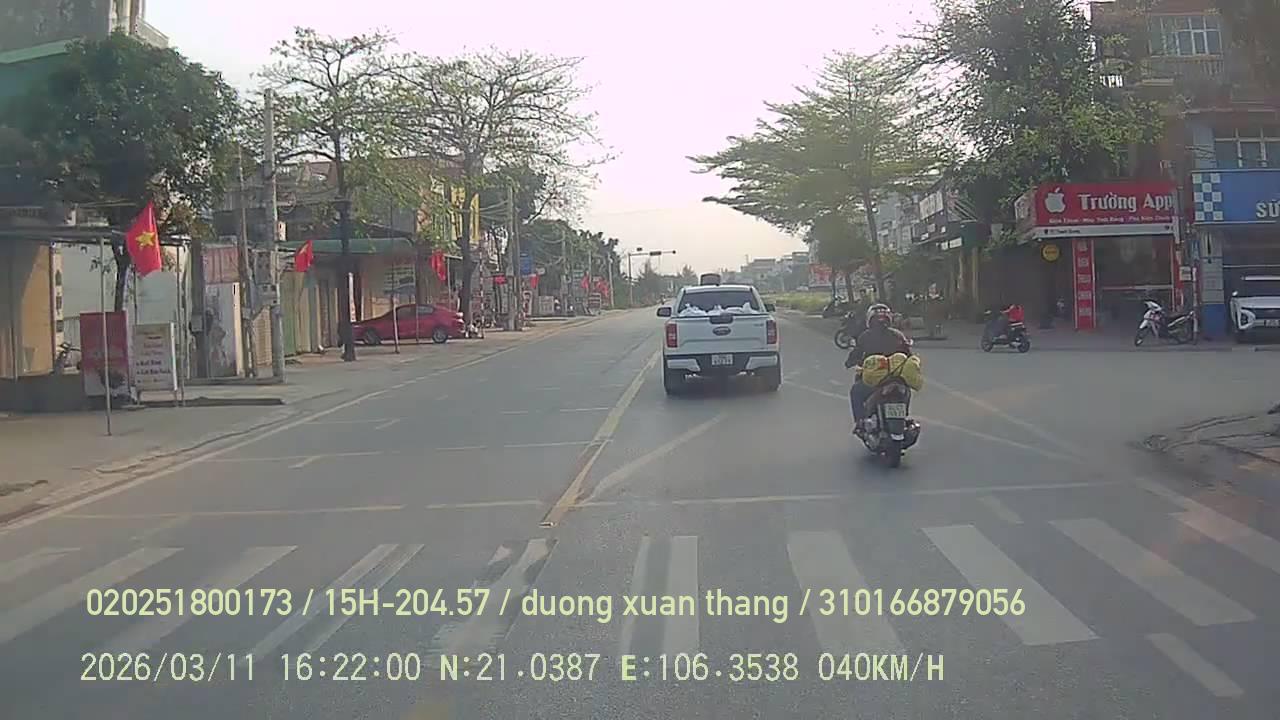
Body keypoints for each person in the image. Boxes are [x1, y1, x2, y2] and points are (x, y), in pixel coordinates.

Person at [844, 303, 912, 436]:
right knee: (906, 390)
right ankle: (903, 417)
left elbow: (855, 355)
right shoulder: (898, 335)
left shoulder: (865, 336)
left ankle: (860, 422)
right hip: (896, 379)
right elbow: (909, 355)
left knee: (856, 392)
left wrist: (849, 362)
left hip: (875, 381)